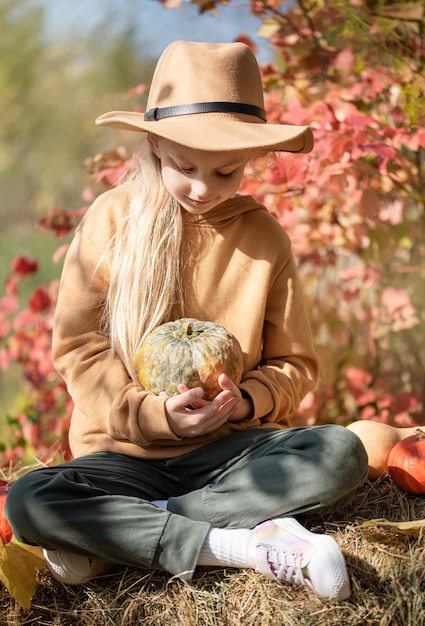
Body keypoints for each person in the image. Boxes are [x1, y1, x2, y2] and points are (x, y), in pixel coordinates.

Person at [5, 40, 368, 601]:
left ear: (251, 159)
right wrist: (156, 416)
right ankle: (241, 545)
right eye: (184, 167)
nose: (202, 188)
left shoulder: (265, 238)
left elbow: (295, 363)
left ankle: (129, 530)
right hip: (121, 454)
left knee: (342, 453)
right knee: (29, 498)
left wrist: (247, 401)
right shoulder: (113, 219)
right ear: (154, 144)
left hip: (232, 458)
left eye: (225, 172)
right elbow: (79, 348)